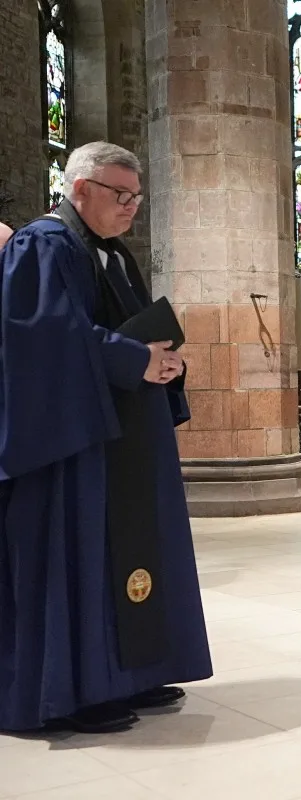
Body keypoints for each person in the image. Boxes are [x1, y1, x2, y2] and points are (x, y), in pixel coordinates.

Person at [0, 141, 211, 734]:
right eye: (120, 196)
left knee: (130, 550)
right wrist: (129, 360)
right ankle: (75, 693)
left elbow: (136, 332)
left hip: (120, 434)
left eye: (137, 198)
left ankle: (129, 673)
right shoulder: (41, 245)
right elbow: (40, 342)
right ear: (79, 189)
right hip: (70, 444)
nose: (131, 208)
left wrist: (165, 365)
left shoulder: (115, 256)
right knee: (82, 554)